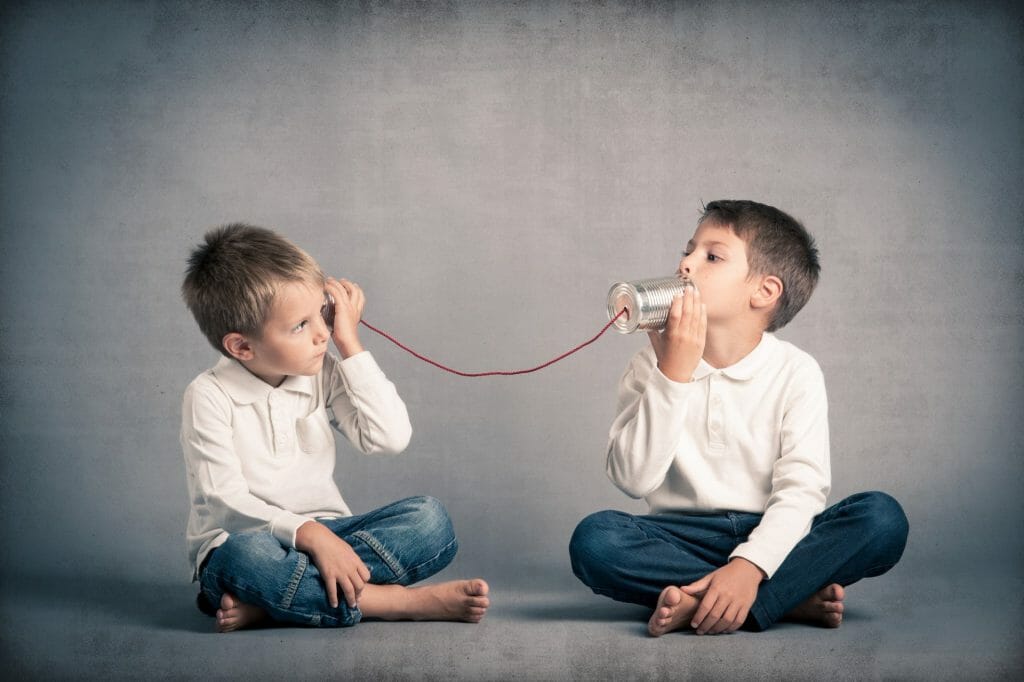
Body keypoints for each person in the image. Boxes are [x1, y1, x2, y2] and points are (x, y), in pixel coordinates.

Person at [569, 200, 908, 635]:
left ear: (764, 292)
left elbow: (802, 490)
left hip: (775, 533)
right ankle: (781, 600)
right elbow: (633, 480)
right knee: (596, 541)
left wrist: (750, 565)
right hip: (680, 537)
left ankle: (718, 599)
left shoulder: (796, 371)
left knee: (882, 519)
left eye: (711, 256)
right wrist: (672, 376)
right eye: (688, 250)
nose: (685, 264)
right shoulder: (648, 366)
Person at [180, 223, 489, 632]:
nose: (322, 333)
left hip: (333, 536)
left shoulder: (321, 371)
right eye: (300, 325)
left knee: (430, 521)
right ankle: (393, 602)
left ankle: (274, 604)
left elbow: (389, 438)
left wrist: (350, 345)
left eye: (321, 314)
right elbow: (225, 501)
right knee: (245, 559)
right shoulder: (208, 395)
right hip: (247, 540)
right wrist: (309, 535)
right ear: (242, 346)